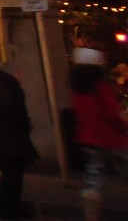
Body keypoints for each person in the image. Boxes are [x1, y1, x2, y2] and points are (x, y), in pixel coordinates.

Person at [70, 47, 128, 220]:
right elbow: (111, 112)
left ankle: (91, 210)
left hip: (87, 136)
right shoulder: (100, 86)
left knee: (94, 174)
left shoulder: (77, 88)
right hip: (110, 135)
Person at [0, 61, 39, 220]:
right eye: (17, 72)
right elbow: (13, 112)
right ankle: (6, 209)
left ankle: (6, 208)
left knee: (11, 175)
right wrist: (25, 123)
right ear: (10, 73)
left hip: (5, 139)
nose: (20, 75)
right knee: (12, 176)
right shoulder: (7, 89)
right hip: (10, 139)